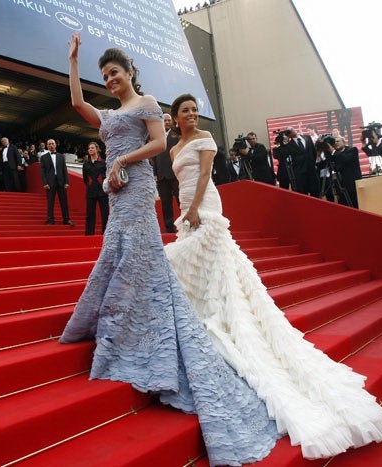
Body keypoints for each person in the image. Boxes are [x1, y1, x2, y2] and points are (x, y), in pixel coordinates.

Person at [59, 32, 278, 467]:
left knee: (138, 254)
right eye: (104, 76)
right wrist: (73, 61)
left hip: (136, 188)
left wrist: (122, 160)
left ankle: (136, 321)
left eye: (115, 73)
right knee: (116, 252)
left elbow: (160, 145)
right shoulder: (107, 113)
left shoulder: (147, 104)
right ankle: (121, 316)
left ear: (130, 73)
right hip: (118, 193)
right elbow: (78, 104)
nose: (110, 80)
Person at [164, 93, 382, 461]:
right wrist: (183, 209)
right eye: (185, 111)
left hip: (204, 207)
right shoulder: (174, 149)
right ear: (175, 117)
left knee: (207, 260)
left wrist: (194, 210)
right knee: (199, 267)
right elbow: (180, 182)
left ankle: (220, 319)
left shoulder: (205, 140)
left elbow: (208, 176)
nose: (191, 115)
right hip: (186, 208)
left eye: (194, 110)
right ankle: (206, 316)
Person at [151, 113, 180, 233]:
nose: (167, 122)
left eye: (169, 120)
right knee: (165, 203)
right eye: (164, 120)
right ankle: (169, 228)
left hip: (176, 173)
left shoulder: (177, 136)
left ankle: (186, 226)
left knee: (181, 200)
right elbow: (154, 157)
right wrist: (155, 173)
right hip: (161, 176)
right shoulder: (156, 137)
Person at [40, 138, 74, 226]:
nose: (51, 145)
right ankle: (50, 220)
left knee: (64, 202)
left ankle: (66, 219)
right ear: (47, 146)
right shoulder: (43, 157)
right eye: (49, 144)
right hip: (50, 183)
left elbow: (64, 170)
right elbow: (42, 172)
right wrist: (45, 183)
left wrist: (67, 182)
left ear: (55, 145)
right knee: (50, 202)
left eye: (52, 143)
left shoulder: (61, 156)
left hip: (61, 182)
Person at [82, 141, 109, 235]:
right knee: (90, 214)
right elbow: (85, 179)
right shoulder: (86, 164)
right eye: (89, 148)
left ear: (97, 149)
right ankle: (89, 234)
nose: (90, 150)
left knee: (105, 214)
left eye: (92, 148)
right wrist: (90, 185)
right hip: (90, 192)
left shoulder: (104, 162)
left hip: (103, 192)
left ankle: (105, 234)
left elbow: (108, 176)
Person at [331, 135, 362, 208]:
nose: (336, 143)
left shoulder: (352, 150)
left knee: (355, 204)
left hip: (353, 183)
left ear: (344, 142)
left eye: (338, 141)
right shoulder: (334, 154)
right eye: (334, 142)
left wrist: (333, 152)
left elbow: (346, 159)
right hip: (341, 185)